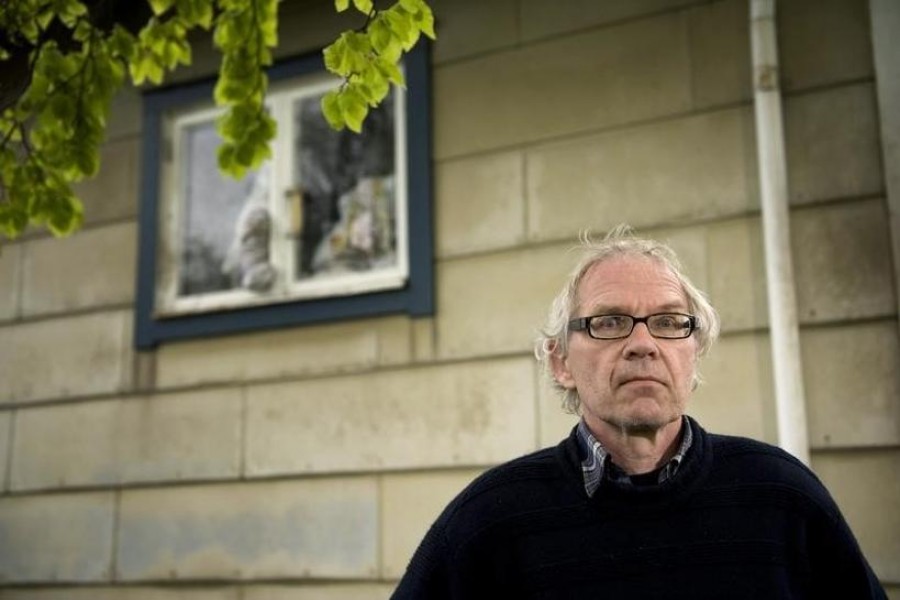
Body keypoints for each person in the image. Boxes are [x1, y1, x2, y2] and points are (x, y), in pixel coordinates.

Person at [391, 226, 887, 599]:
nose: (643, 344)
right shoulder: (490, 521)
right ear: (561, 361)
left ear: (694, 354)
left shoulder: (782, 496)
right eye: (610, 322)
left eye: (669, 322)